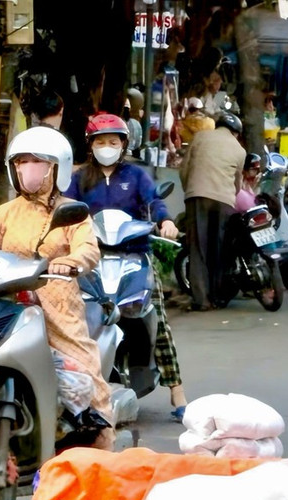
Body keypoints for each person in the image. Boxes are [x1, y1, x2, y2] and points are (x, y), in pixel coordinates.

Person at [0, 127, 112, 446]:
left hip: (57, 306)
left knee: (88, 376)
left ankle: (103, 449)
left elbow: (88, 250)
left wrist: (69, 261)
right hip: (9, 303)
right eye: (21, 162)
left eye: (37, 161)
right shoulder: (5, 213)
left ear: (56, 167)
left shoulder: (71, 213)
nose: (28, 168)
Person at [66, 114, 188, 420]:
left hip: (134, 255)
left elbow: (154, 202)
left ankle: (177, 391)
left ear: (123, 144)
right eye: (100, 142)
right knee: (74, 317)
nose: (106, 147)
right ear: (90, 145)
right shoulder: (79, 179)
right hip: (91, 258)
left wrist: (166, 220)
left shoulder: (136, 176)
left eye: (113, 141)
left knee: (157, 317)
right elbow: (66, 208)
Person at [179, 112, 246, 311]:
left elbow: (184, 169)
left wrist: (190, 190)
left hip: (197, 196)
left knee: (198, 248)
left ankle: (202, 300)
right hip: (224, 201)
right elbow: (238, 182)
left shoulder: (200, 137)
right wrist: (230, 195)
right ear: (236, 132)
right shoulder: (239, 150)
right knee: (219, 249)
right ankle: (218, 297)